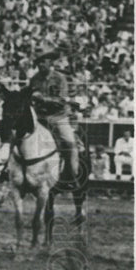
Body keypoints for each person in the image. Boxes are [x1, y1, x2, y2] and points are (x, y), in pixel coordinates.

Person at [27, 45, 79, 181]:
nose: (40, 65)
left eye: (43, 61)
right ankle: (9, 170)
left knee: (70, 142)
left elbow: (62, 100)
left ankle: (74, 174)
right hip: (39, 117)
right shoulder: (34, 79)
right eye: (38, 62)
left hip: (58, 116)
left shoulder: (59, 78)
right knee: (19, 137)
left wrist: (43, 99)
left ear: (50, 62)